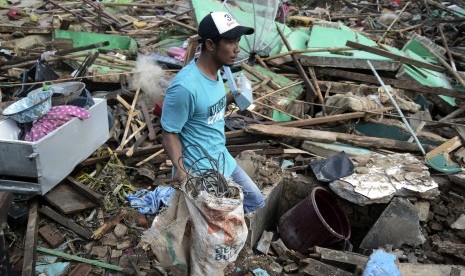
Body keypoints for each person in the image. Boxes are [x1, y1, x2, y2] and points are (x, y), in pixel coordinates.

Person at [161, 12, 265, 213]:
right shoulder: (185, 87)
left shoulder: (218, 70)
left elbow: (206, 110)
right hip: (200, 172)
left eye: (238, 41)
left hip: (222, 158)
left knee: (255, 203)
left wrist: (232, 97)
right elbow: (169, 133)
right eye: (231, 42)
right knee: (216, 227)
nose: (237, 49)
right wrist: (182, 172)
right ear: (210, 45)